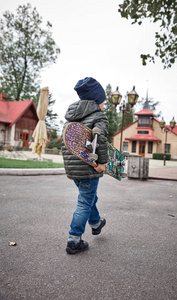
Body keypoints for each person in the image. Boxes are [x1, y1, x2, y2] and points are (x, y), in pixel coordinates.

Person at [62, 77, 109, 254]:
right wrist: (102, 163)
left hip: (76, 170)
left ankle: (96, 223)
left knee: (89, 198)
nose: (104, 103)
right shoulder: (99, 116)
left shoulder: (70, 118)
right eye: (103, 100)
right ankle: (74, 240)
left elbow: (65, 144)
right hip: (90, 168)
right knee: (84, 202)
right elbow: (100, 140)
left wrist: (69, 170)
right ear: (97, 99)